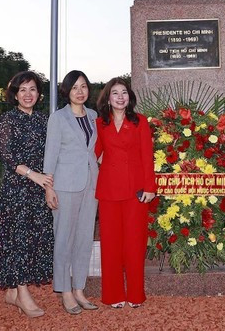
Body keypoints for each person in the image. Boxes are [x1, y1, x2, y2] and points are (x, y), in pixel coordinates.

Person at [0, 71, 54, 318]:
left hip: (39, 190)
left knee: (34, 240)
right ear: (14, 94)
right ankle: (23, 293)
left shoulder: (44, 120)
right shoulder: (8, 120)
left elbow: (52, 154)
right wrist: (31, 175)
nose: (28, 94)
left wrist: (47, 184)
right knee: (19, 240)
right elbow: (5, 154)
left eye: (32, 89)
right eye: (22, 90)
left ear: (39, 94)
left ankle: (13, 293)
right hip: (17, 189)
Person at [94, 77, 157, 308]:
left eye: (124, 93)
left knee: (135, 243)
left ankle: (136, 295)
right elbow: (93, 154)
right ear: (108, 99)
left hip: (136, 191)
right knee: (110, 244)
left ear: (129, 97)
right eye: (115, 93)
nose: (120, 97)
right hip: (108, 190)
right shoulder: (100, 123)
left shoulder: (139, 121)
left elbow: (147, 156)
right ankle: (113, 295)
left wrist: (150, 187)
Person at [43, 70, 99, 315]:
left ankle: (79, 289)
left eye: (84, 86)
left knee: (84, 238)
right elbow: (50, 155)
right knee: (64, 239)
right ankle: (65, 291)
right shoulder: (58, 118)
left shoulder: (94, 116)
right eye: (75, 87)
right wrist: (49, 188)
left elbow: (95, 151)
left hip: (91, 186)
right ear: (66, 91)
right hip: (65, 186)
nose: (80, 91)